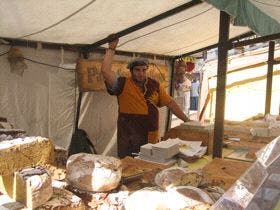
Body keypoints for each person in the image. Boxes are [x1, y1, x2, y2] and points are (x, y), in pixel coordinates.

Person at [101, 37, 190, 158]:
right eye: (137, 70)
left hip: (150, 134)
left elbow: (170, 103)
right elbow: (105, 71)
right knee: (130, 166)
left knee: (150, 163)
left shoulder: (154, 85)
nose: (141, 73)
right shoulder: (123, 84)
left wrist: (186, 120)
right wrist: (112, 48)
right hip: (129, 137)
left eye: (144, 70)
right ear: (131, 71)